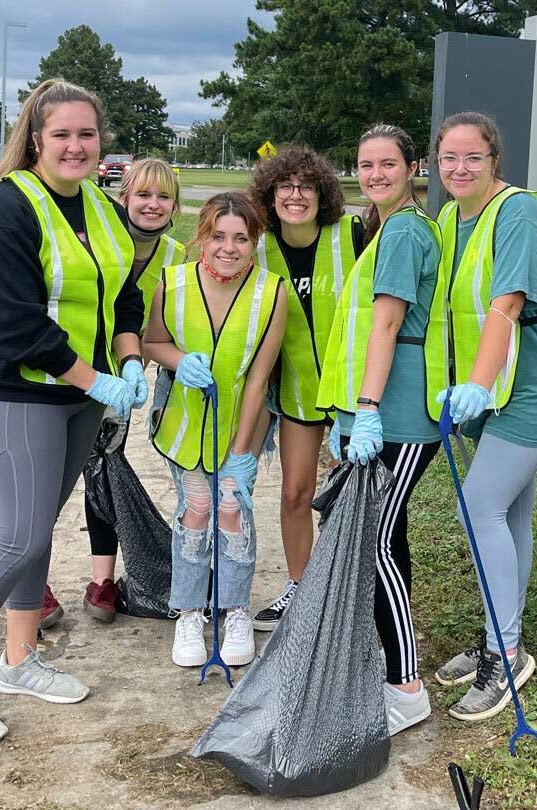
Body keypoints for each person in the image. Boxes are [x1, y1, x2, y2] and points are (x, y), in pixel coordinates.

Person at [0, 78, 148, 745]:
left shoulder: (101, 208)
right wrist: (97, 380)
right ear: (36, 138)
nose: (76, 146)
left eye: (87, 134)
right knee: (16, 538)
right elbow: (14, 327)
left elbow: (126, 295)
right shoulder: (3, 210)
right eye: (62, 134)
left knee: (38, 530)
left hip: (79, 395)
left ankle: (17, 661)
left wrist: (126, 360)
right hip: (18, 394)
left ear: (102, 143)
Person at [425, 112, 537, 722]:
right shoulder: (449, 217)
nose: (459, 169)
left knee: (479, 504)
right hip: (498, 386)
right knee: (510, 509)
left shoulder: (517, 211)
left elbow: (506, 305)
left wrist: (474, 383)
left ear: (496, 159)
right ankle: (502, 629)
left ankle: (507, 653)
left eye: (472, 157)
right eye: (448, 159)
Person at [316, 125, 442, 737]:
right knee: (389, 537)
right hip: (378, 411)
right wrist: (352, 411)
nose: (374, 174)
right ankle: (387, 664)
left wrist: (366, 406)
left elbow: (387, 326)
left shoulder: (404, 230)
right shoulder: (382, 226)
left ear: (412, 166)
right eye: (365, 164)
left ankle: (407, 688)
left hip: (400, 414)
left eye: (387, 164)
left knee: (378, 544)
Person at [143, 192, 287, 670]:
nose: (229, 247)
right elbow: (153, 341)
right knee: (196, 507)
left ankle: (234, 608)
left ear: (255, 242)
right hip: (184, 424)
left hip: (239, 425)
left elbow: (260, 377)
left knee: (231, 504)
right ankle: (188, 610)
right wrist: (179, 361)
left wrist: (243, 450)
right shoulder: (174, 281)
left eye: (241, 238)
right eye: (219, 236)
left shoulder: (272, 292)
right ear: (202, 237)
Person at [246, 147, 364, 632]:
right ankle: (301, 588)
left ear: (323, 194)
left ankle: (346, 592)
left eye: (307, 186)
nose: (296, 196)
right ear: (271, 196)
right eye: (285, 187)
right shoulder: (258, 246)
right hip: (296, 396)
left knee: (346, 497)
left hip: (352, 397)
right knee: (296, 493)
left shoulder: (352, 236)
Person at [68, 157, 188, 624]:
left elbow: (173, 329)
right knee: (56, 474)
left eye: (162, 197)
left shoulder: (177, 258)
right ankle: (32, 586)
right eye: (142, 194)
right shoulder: (98, 242)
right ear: (124, 198)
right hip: (75, 367)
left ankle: (102, 581)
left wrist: (142, 364)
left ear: (174, 206)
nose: (152, 205)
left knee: (103, 467)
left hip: (129, 376)